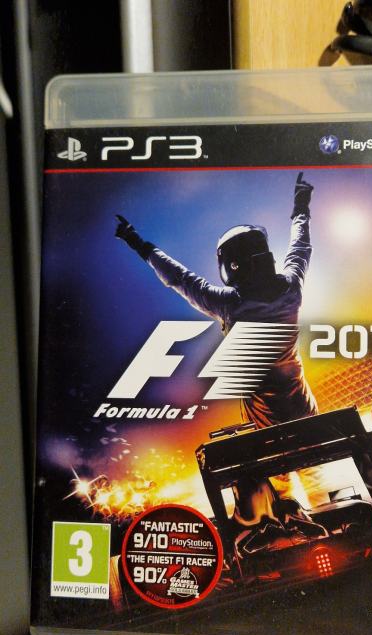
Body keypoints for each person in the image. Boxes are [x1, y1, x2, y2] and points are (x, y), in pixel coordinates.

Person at [115, 173, 326, 549]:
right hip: (308, 416)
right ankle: (304, 515)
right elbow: (301, 245)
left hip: (269, 432)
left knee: (249, 469)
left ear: (232, 265)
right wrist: (301, 205)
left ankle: (272, 523)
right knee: (294, 464)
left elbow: (179, 279)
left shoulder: (230, 304)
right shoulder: (291, 287)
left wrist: (137, 243)